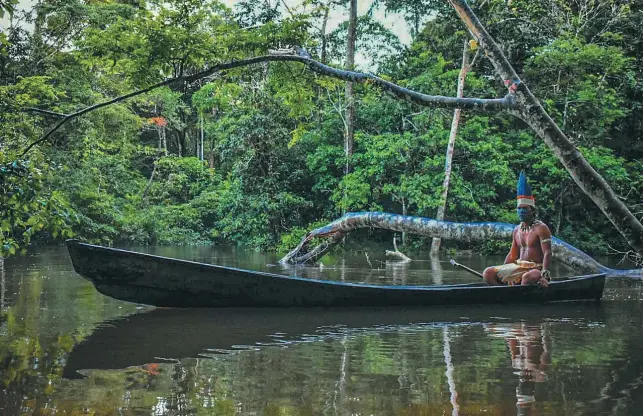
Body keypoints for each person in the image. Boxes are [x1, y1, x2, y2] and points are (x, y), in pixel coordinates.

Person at [483, 171, 552, 287]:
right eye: (519, 208)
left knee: (527, 277)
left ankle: (523, 300)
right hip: (519, 266)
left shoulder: (541, 228)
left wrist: (545, 275)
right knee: (488, 273)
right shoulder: (517, 230)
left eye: (525, 208)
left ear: (533, 210)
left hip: (536, 268)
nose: (521, 211)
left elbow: (548, 253)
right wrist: (502, 271)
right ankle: (502, 295)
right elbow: (512, 255)